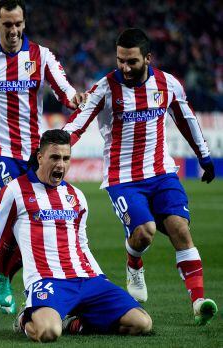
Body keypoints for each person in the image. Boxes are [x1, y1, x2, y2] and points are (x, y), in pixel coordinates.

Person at [63, 28, 218, 325]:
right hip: (123, 178)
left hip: (161, 172)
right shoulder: (105, 88)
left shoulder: (166, 84)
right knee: (145, 230)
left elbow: (186, 119)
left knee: (180, 230)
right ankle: (134, 262)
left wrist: (204, 156)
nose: (125, 67)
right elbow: (77, 124)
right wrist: (55, 145)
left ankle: (198, 302)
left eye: (132, 61)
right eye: (120, 60)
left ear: (147, 58)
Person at [0, 0, 86, 313]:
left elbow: (64, 91)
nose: (14, 30)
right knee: (20, 210)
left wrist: (76, 97)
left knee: (38, 216)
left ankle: (3, 276)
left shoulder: (41, 55)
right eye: (8, 24)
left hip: (35, 152)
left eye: (19, 24)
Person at [0, 129, 152, 342]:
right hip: (48, 280)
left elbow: (82, 245)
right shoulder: (14, 191)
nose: (61, 164)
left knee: (141, 323)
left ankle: (73, 323)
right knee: (48, 332)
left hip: (87, 279)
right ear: (40, 157)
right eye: (55, 157)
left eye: (66, 158)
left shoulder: (76, 196)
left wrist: (100, 277)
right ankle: (25, 317)